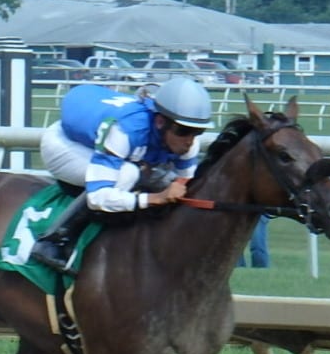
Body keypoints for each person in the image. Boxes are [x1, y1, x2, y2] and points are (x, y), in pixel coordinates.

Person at [31, 77, 211, 272]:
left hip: (112, 140)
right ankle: (54, 240)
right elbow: (97, 196)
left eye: (197, 131)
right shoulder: (124, 130)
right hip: (64, 144)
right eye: (184, 131)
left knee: (163, 179)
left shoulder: (187, 143)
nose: (190, 141)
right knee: (128, 174)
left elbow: (185, 186)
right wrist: (154, 198)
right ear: (160, 122)